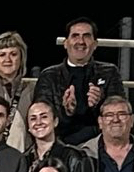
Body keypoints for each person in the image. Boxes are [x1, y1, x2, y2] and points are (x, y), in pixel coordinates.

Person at [30, 17, 122, 147]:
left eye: (86, 36)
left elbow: (119, 114)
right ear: (66, 43)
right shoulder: (49, 76)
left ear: (95, 44)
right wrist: (66, 111)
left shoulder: (109, 72)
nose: (81, 41)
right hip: (60, 143)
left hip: (100, 144)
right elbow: (42, 117)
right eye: (75, 36)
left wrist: (99, 104)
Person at [22, 99, 96, 172]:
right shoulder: (24, 159)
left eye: (44, 117)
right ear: (28, 127)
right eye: (33, 118)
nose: (38, 122)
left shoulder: (75, 158)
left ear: (55, 121)